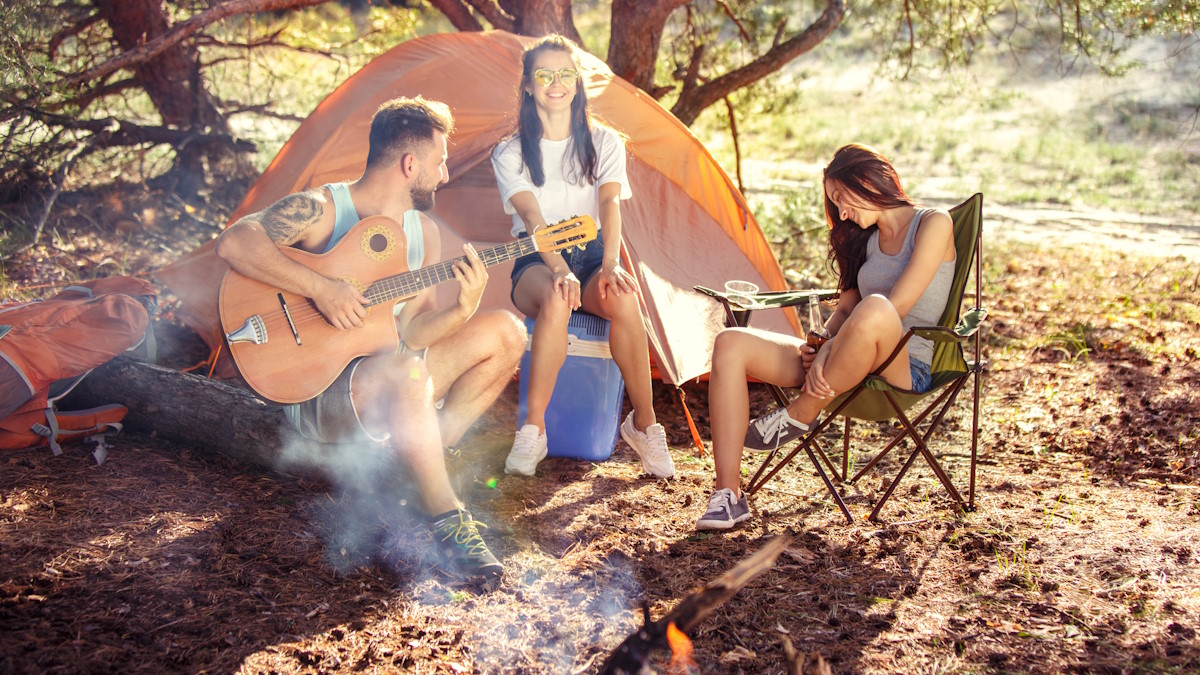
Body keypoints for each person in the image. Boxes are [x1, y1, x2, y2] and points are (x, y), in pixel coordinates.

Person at [215, 97, 526, 579]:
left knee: (507, 331)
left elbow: (411, 329)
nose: (445, 174)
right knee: (407, 372)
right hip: (320, 392)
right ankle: (449, 520)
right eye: (440, 161)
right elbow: (235, 241)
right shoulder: (321, 207)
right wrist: (321, 288)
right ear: (410, 163)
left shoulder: (424, 235)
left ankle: (419, 462)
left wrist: (464, 309)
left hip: (391, 379)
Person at [696, 144, 956, 530]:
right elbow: (848, 308)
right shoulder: (866, 241)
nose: (842, 213)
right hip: (841, 365)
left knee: (878, 307)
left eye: (842, 199)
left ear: (866, 181)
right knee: (730, 342)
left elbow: (895, 308)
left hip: (904, 366)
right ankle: (727, 495)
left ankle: (803, 411)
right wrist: (820, 341)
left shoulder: (934, 223)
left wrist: (832, 347)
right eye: (835, 205)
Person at [490, 35, 674, 479]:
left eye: (566, 73)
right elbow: (532, 217)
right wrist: (558, 269)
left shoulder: (605, 142)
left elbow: (610, 205)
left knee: (624, 300)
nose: (556, 83)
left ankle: (643, 425)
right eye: (544, 74)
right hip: (536, 258)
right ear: (529, 85)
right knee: (556, 296)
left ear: (577, 82)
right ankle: (534, 430)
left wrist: (610, 264)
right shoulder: (509, 152)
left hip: (592, 255)